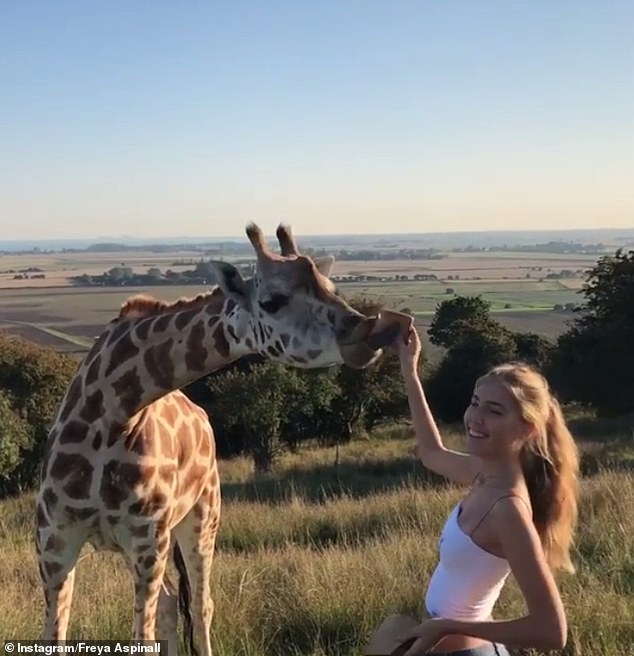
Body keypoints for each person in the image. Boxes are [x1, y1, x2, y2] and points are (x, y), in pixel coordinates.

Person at [395, 327, 579, 656]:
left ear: (528, 428)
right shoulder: (484, 473)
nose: (475, 419)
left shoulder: (507, 509)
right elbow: (431, 453)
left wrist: (450, 625)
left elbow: (552, 631)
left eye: (494, 411)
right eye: (475, 403)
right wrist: (410, 370)